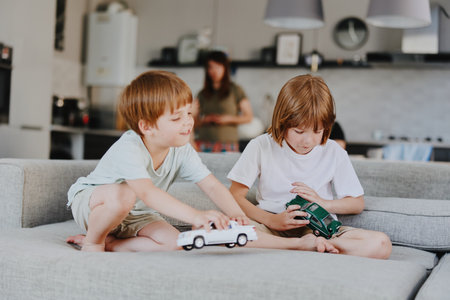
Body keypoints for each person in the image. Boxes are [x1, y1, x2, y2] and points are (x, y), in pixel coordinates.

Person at [65, 70, 249, 252]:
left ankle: (112, 244)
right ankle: (94, 242)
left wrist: (236, 214)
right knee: (125, 195)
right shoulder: (130, 147)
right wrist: (195, 216)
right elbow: (147, 193)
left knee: (178, 243)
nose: (188, 122)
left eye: (189, 113)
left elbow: (212, 186)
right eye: (177, 117)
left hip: (137, 215)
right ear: (146, 126)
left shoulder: (182, 150)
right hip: (95, 206)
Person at [228, 74, 392, 259]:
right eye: (299, 131)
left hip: (319, 228)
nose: (308, 141)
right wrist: (272, 220)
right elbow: (234, 195)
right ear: (282, 122)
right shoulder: (261, 146)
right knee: (225, 231)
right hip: (271, 225)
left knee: (381, 244)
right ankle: (299, 245)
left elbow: (356, 202)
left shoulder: (333, 151)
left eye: (317, 131)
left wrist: (322, 202)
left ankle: (319, 245)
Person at [193, 51, 253, 152]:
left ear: (225, 68)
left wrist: (227, 119)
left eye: (218, 67)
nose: (214, 71)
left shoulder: (235, 90)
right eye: (210, 67)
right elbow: (193, 122)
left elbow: (248, 117)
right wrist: (205, 120)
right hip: (203, 143)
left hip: (228, 144)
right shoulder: (202, 93)